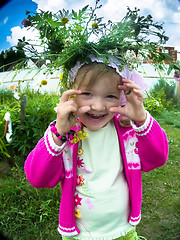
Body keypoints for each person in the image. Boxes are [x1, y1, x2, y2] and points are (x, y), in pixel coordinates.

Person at [24, 58, 168, 240]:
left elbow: (158, 158)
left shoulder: (127, 130)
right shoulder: (64, 135)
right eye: (87, 93)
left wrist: (141, 119)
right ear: (70, 93)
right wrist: (58, 133)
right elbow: (38, 178)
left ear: (122, 97)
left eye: (110, 96)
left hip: (124, 231)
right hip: (79, 235)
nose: (98, 106)